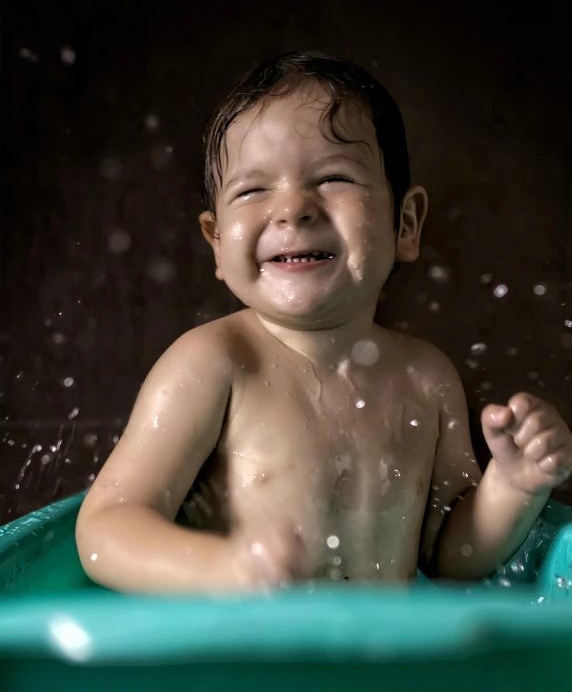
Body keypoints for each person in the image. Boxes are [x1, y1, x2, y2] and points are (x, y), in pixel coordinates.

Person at [76, 52, 572, 593]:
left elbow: (450, 556)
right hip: (248, 666)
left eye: (334, 177)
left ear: (405, 223)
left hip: (381, 666)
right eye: (252, 190)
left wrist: (515, 487)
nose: (293, 209)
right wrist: (224, 567)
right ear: (217, 242)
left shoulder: (427, 378)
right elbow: (106, 529)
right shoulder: (213, 364)